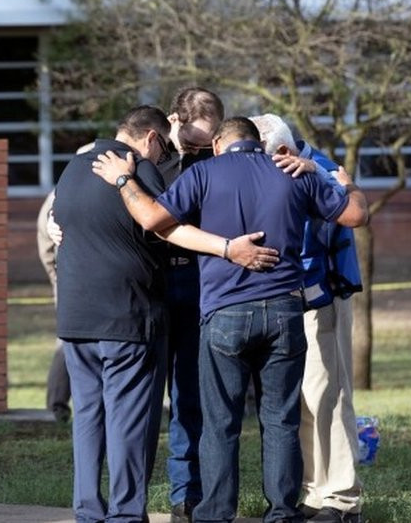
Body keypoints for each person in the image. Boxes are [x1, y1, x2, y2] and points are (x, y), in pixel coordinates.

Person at [90, 117, 369, 523]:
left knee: (221, 421)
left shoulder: (203, 172)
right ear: (260, 144)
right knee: (281, 420)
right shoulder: (294, 173)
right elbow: (356, 216)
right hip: (286, 312)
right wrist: (345, 182)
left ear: (219, 143)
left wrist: (122, 181)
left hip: (225, 315)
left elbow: (151, 218)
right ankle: (281, 512)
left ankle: (216, 512)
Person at [53, 107, 278, 523]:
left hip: (74, 316)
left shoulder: (72, 168)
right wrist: (228, 248)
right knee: (129, 420)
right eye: (160, 153)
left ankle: (87, 509)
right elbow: (165, 228)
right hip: (128, 316)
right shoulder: (139, 170)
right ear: (152, 139)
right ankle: (124, 514)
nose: (160, 161)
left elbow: (59, 222)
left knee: (87, 417)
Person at [251, 114, 365, 523]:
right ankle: (315, 492)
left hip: (322, 299)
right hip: (285, 300)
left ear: (282, 151)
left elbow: (350, 209)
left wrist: (320, 174)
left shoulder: (321, 170)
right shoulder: (284, 165)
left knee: (328, 397)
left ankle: (341, 499)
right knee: (301, 401)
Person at [159, 87, 225, 523]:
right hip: (153, 281)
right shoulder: (146, 154)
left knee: (190, 394)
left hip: (201, 279)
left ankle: (187, 493)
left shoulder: (219, 159)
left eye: (209, 142)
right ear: (173, 121)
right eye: (194, 142)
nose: (200, 151)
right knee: (142, 397)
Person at [36, 189, 72, 423]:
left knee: (67, 340)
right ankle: (56, 405)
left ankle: (56, 405)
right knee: (66, 342)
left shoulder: (63, 189)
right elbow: (45, 239)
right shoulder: (61, 193)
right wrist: (56, 278)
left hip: (66, 277)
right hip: (68, 277)